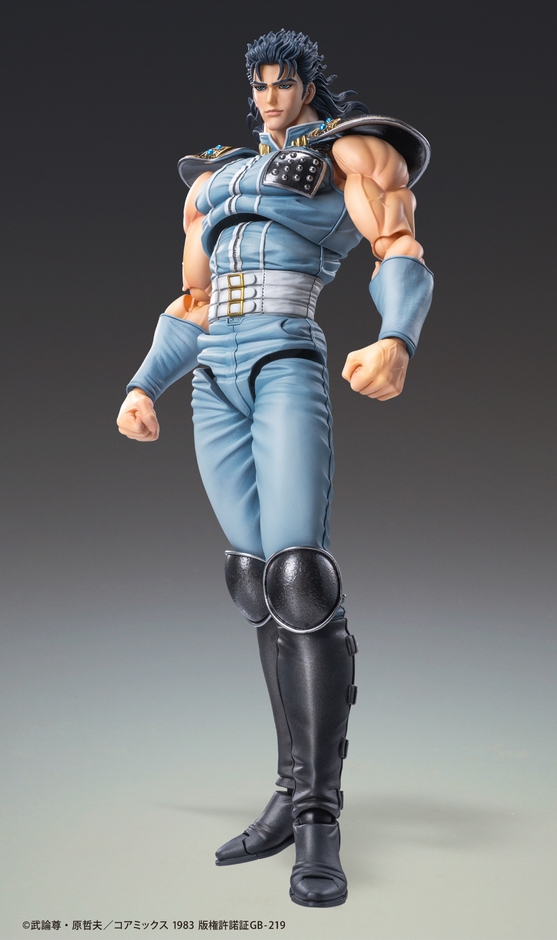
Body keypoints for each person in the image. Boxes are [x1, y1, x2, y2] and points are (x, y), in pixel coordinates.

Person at [117, 29, 433, 908]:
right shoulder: (212, 180)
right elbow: (193, 301)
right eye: (257, 85)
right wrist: (143, 383)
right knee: (253, 579)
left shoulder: (349, 150)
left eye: (282, 83)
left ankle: (320, 817)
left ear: (306, 86)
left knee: (301, 579)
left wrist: (396, 339)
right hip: (213, 377)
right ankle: (290, 791)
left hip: (285, 357)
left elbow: (397, 247)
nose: (268, 98)